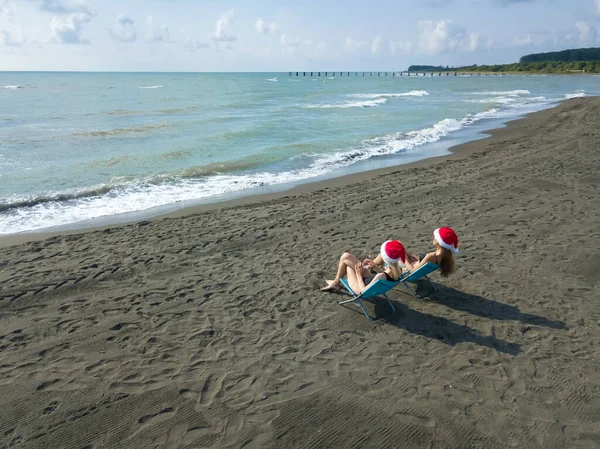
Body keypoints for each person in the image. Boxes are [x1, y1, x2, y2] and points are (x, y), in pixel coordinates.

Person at [321, 240, 406, 293]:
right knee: (347, 257)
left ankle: (336, 284)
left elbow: (362, 291)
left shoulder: (381, 276)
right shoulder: (399, 270)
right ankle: (336, 283)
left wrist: (358, 275)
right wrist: (375, 266)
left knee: (347, 264)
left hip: (360, 288)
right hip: (373, 282)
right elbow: (385, 276)